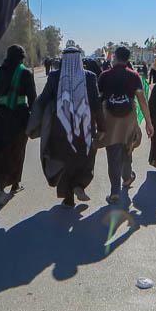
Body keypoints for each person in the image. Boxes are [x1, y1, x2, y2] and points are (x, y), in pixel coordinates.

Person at [28, 46, 102, 207]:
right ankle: (79, 185)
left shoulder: (55, 76)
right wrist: (102, 127)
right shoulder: (90, 77)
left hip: (60, 127)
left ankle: (68, 197)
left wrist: (34, 121)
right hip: (85, 127)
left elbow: (44, 98)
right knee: (85, 157)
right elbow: (96, 104)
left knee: (64, 160)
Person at [97, 46, 153, 204]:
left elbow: (98, 100)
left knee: (113, 154)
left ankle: (115, 191)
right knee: (127, 149)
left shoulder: (104, 76)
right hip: (129, 119)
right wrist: (148, 123)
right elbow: (142, 101)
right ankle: (127, 178)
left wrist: (96, 122)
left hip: (110, 120)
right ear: (128, 58)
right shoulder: (134, 76)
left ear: (114, 57)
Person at [0, 44, 36, 206]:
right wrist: (35, 119)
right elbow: (32, 99)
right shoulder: (25, 73)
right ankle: (15, 184)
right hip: (19, 118)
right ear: (21, 57)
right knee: (17, 152)